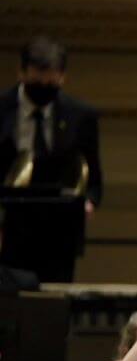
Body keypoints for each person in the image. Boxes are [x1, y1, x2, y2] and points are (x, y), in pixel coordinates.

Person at [0, 36, 102, 283]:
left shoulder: (81, 115)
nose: (43, 89)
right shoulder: (2, 109)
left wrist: (89, 202)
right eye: (36, 82)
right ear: (21, 73)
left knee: (54, 306)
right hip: (8, 225)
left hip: (59, 230)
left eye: (51, 84)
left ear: (62, 77)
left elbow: (94, 178)